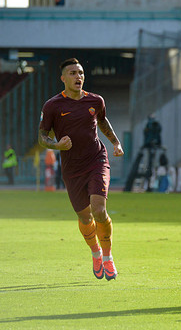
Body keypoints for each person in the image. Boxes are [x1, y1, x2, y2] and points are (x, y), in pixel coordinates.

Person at [39, 58, 124, 281]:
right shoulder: (52, 106)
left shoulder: (96, 100)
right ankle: (96, 254)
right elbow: (42, 136)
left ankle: (107, 257)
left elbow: (103, 121)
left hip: (97, 160)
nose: (79, 76)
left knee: (99, 210)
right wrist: (56, 145)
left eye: (81, 72)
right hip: (71, 168)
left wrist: (115, 143)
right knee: (85, 218)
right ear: (63, 78)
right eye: (73, 73)